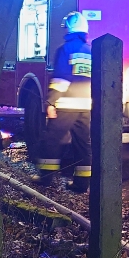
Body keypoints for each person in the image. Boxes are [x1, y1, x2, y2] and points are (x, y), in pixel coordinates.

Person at [37, 11, 93, 193]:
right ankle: (82, 184)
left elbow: (61, 79)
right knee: (82, 144)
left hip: (66, 104)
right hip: (85, 105)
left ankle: (45, 178)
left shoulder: (65, 49)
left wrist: (51, 102)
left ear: (69, 28)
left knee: (51, 139)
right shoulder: (90, 51)